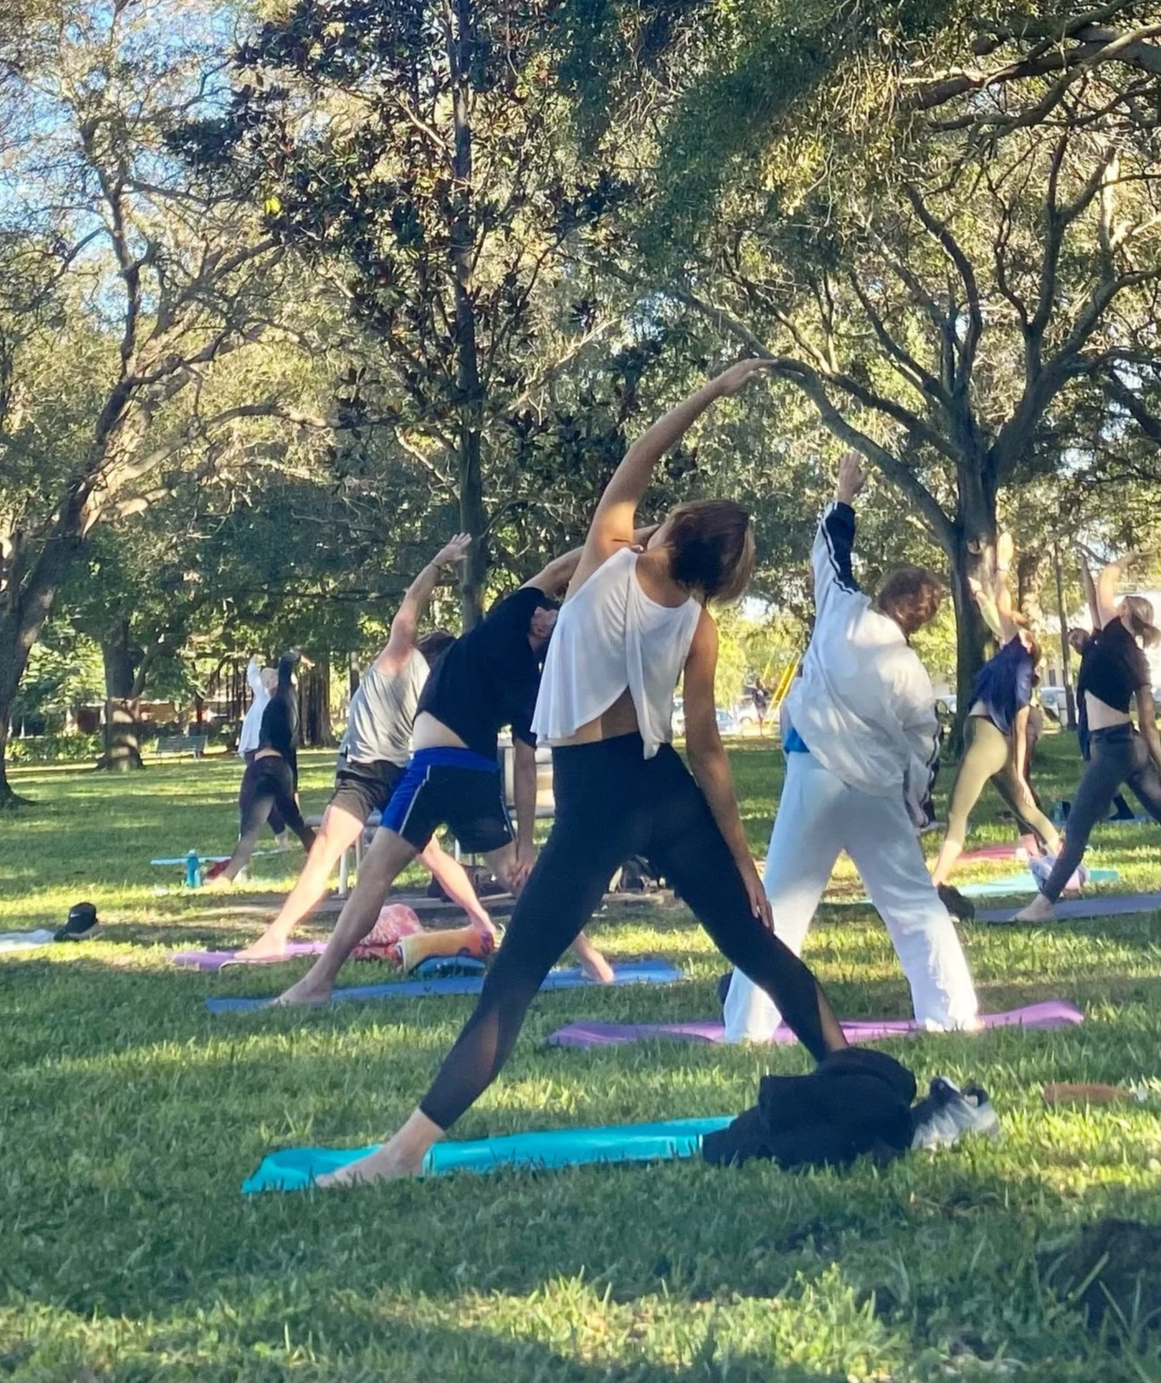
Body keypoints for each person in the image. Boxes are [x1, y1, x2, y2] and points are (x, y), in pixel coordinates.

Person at [318, 359, 844, 1185]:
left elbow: (642, 449)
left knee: (515, 980)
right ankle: (848, 1090)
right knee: (756, 946)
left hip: (598, 800)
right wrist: (742, 860)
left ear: (671, 533)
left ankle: (400, 1154)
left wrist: (709, 390)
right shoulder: (696, 624)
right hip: (664, 792)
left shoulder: (606, 560)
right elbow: (704, 751)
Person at [723, 451, 977, 1040]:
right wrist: (914, 809)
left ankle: (748, 1028)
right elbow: (925, 753)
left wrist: (844, 491)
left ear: (885, 593)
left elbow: (830, 553)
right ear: (919, 621)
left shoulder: (840, 608)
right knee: (914, 908)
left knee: (780, 910)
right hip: (876, 794)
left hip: (814, 778)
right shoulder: (911, 674)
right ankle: (951, 1015)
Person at [273, 537, 583, 1005]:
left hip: (434, 771)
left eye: (551, 614)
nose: (543, 612)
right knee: (515, 878)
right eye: (543, 608)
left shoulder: (517, 660)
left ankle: (318, 981)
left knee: (375, 872)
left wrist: (525, 840)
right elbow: (557, 570)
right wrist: (624, 541)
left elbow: (524, 760)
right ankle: (593, 962)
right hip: (447, 772)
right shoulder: (510, 643)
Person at [234, 539, 498, 960]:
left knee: (380, 851)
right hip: (377, 771)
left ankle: (484, 925)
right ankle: (276, 935)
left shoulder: (417, 670)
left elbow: (412, 605)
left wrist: (435, 561)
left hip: (377, 772)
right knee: (417, 852)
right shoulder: (419, 670)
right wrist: (437, 564)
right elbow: (413, 607)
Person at [1015, 573, 1161, 921]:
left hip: (1114, 749)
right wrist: (1083, 566)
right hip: (1127, 746)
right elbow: (1147, 723)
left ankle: (1042, 906)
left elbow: (1102, 592)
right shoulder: (1122, 649)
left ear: (1124, 614)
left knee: (1076, 828)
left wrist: (1115, 566)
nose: (1109, 608)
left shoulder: (1117, 643)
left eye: (1118, 606)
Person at [930, 533, 1061, 882]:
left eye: (1017, 628)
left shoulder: (1020, 666)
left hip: (990, 740)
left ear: (1028, 641)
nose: (1009, 627)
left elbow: (1019, 727)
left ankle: (934, 883)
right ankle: (1067, 867)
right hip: (989, 740)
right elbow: (998, 611)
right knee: (1024, 808)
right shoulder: (1009, 654)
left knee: (956, 813)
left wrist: (1019, 773)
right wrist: (986, 585)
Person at [208, 652, 314, 881]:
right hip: (275, 769)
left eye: (274, 679)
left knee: (251, 824)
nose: (270, 682)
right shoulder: (280, 704)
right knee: (294, 821)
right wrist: (293, 787)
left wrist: (297, 655)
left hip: (267, 769)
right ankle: (321, 857)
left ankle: (228, 876)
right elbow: (292, 756)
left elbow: (285, 661)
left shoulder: (285, 697)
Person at [237, 659, 273, 760]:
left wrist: (253, 662)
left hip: (261, 745)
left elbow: (253, 677)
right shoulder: (264, 693)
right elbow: (253, 678)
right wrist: (253, 663)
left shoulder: (268, 695)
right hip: (255, 745)